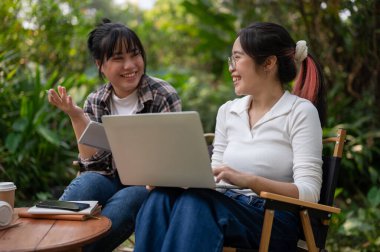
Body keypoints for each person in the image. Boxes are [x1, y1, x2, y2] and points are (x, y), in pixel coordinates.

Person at [133, 22, 326, 252]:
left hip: (273, 218)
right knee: (161, 197)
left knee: (197, 203)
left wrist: (250, 181)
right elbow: (213, 178)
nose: (231, 68)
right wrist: (177, 179)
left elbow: (309, 193)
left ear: (269, 63)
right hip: (225, 205)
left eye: (237, 58)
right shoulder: (228, 111)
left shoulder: (300, 112)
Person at [47, 18, 181, 252]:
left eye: (135, 54)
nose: (130, 65)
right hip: (107, 177)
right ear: (100, 64)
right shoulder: (96, 100)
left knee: (128, 199)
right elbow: (91, 164)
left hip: (148, 185)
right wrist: (76, 116)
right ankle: (49, 242)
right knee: (86, 182)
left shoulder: (162, 94)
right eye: (118, 58)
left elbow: (173, 159)